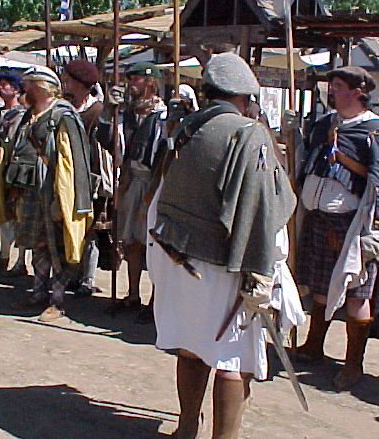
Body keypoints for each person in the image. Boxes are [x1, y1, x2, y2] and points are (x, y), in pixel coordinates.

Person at [148, 53, 298, 439]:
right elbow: (261, 207)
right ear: (246, 97)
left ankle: (185, 428)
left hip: (178, 256)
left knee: (191, 346)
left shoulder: (186, 128)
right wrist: (261, 271)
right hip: (228, 261)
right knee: (236, 359)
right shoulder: (247, 134)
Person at [296, 66, 379, 391]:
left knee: (357, 292)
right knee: (319, 286)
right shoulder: (324, 125)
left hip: (353, 224)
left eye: (339, 86)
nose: (332, 91)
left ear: (358, 91)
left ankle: (353, 365)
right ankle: (314, 345)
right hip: (318, 218)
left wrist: (340, 156)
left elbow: (375, 182)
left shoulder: (372, 131)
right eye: (331, 85)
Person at [7, 66, 93, 322]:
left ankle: (57, 301)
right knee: (37, 245)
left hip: (54, 192)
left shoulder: (62, 116)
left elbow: (72, 161)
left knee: (57, 246)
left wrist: (64, 199)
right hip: (32, 192)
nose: (25, 90)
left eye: (29, 85)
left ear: (41, 87)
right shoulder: (30, 115)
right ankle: (38, 292)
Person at [98, 62, 167, 315]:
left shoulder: (163, 115)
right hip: (130, 180)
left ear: (150, 82)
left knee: (154, 244)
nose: (131, 84)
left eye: (136, 79)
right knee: (131, 242)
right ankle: (133, 294)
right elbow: (105, 140)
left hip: (155, 184)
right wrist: (108, 110)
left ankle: (156, 300)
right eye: (130, 79)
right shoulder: (125, 114)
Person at [62, 60, 106, 296]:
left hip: (91, 178)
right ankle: (71, 274)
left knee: (90, 229)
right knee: (69, 226)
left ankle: (87, 279)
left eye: (69, 79)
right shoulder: (65, 108)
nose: (65, 82)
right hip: (67, 176)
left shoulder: (98, 112)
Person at [0, 71, 28, 273]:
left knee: (18, 215)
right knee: (3, 213)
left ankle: (21, 261)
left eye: (5, 85)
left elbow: (15, 142)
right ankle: (4, 254)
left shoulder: (22, 115)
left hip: (14, 168)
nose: (1, 88)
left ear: (16, 89)